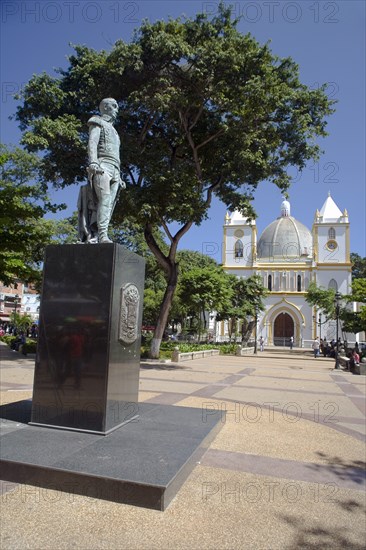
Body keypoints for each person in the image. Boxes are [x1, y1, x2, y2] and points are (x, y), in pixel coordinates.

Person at [86, 98, 125, 244]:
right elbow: (92, 142)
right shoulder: (97, 121)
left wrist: (119, 175)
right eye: (114, 106)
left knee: (110, 204)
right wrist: (93, 162)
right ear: (106, 107)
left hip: (115, 168)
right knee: (104, 199)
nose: (117, 109)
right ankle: (102, 235)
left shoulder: (115, 132)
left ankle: (102, 233)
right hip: (102, 165)